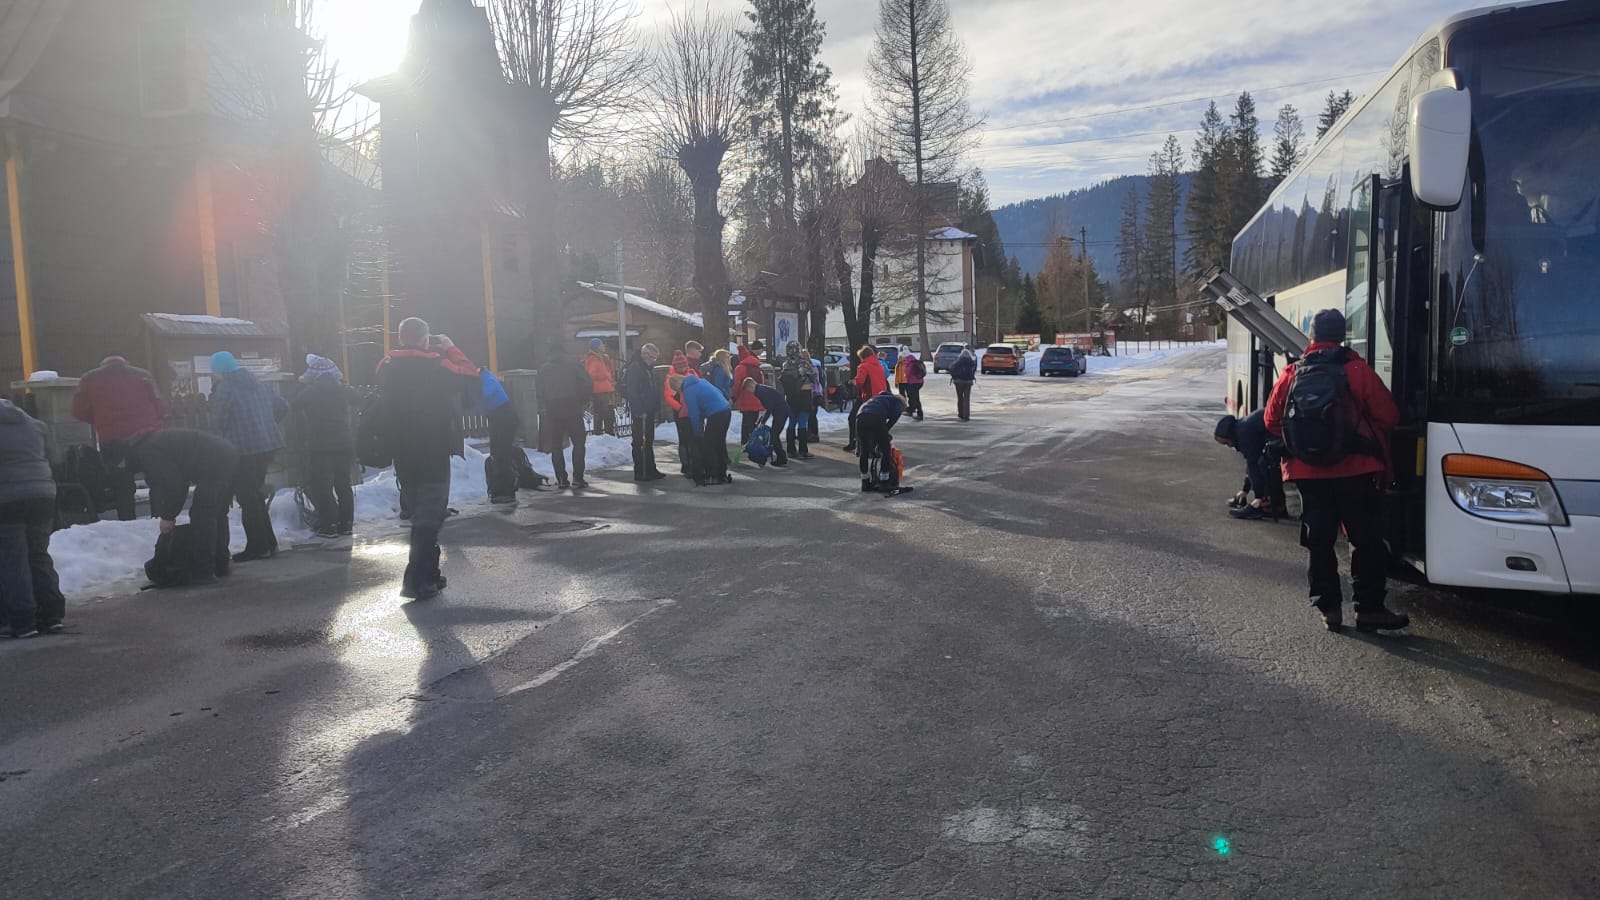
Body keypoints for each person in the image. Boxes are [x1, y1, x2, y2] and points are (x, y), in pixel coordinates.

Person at [1265, 308, 1408, 633]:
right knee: (1364, 539)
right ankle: (1369, 609)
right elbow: (1389, 416)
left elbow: (1271, 421)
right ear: (1342, 337)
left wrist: (1309, 444)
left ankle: (1329, 608)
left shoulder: (1291, 373)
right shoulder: (1357, 370)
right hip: (1356, 469)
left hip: (1307, 472)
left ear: (1312, 336)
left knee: (1319, 539)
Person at [376, 318, 479, 600]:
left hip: (403, 450)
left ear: (400, 338)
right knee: (429, 516)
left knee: (419, 511)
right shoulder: (438, 366)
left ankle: (431, 573)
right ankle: (415, 580)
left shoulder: (386, 366)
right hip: (433, 448)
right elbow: (471, 376)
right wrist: (450, 348)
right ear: (425, 339)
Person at [128, 427, 239, 586]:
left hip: (214, 462)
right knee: (217, 512)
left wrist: (168, 516)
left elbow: (176, 485)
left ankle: (204, 572)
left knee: (203, 514)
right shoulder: (150, 443)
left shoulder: (147, 452)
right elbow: (173, 480)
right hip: (226, 454)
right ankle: (220, 564)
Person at [208, 350, 288, 562]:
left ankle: (257, 547)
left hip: (242, 449)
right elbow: (283, 406)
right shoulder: (258, 382)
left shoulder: (226, 387)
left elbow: (220, 419)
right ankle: (269, 543)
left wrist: (217, 439)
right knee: (255, 493)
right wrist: (265, 424)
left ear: (220, 370)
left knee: (246, 496)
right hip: (267, 445)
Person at [70, 354, 169, 520]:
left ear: (102, 365)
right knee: (156, 478)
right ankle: (159, 519)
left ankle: (127, 523)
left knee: (122, 486)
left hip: (112, 440)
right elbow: (161, 406)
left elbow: (77, 411)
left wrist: (100, 419)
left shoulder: (89, 378)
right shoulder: (143, 375)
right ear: (126, 363)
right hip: (147, 436)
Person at [0, 400, 65, 637]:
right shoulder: (35, 425)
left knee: (12, 558)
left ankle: (22, 620)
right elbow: (56, 459)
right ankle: (51, 615)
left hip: (7, 498)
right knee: (38, 553)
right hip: (43, 495)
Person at [292, 354, 361, 536]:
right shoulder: (342, 389)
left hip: (319, 444)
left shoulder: (311, 391)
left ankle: (329, 525)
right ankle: (346, 523)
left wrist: (302, 383)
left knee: (322, 485)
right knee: (343, 483)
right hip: (343, 442)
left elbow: (295, 403)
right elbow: (357, 397)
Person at [537, 338, 594, 489]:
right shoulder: (574, 365)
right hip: (572, 408)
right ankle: (578, 478)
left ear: (550, 353)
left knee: (556, 445)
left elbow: (539, 391)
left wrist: (544, 407)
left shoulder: (543, 370)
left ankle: (561, 479)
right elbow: (588, 383)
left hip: (553, 411)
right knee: (579, 443)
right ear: (564, 352)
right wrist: (581, 400)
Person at [1214, 410, 1285, 521]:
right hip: (1282, 434)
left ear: (1230, 436)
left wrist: (1258, 497)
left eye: (1227, 442)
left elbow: (1253, 465)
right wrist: (1245, 489)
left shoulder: (1244, 435)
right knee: (1264, 462)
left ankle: (1269, 504)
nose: (1230, 446)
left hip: (1283, 437)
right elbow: (1251, 463)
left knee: (1266, 465)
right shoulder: (1242, 427)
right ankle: (1273, 504)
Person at [476, 366, 526, 504]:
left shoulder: (488, 378)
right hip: (497, 419)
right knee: (496, 454)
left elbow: (487, 394)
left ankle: (507, 490)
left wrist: (473, 393)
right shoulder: (483, 379)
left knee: (502, 454)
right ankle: (499, 489)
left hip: (506, 419)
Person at [677, 373, 733, 485]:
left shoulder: (688, 390)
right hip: (726, 409)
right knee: (719, 443)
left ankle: (713, 474)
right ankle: (722, 473)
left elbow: (694, 414)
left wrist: (698, 433)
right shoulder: (701, 381)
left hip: (716, 414)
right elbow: (718, 392)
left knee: (708, 445)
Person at [623, 342, 665, 482]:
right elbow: (633, 390)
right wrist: (639, 410)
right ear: (645, 354)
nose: (653, 360)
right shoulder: (635, 368)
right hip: (640, 411)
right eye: (652, 357)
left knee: (649, 441)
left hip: (649, 409)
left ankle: (651, 469)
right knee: (639, 441)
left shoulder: (648, 367)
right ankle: (640, 471)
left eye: (655, 358)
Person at [855, 390, 906, 493]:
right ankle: (884, 482)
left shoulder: (879, 398)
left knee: (864, 450)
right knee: (886, 450)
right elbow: (889, 424)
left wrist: (875, 440)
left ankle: (865, 482)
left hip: (860, 417)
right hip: (876, 417)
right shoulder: (898, 403)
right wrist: (883, 439)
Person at [844, 345, 889, 453]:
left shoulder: (863, 366)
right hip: (880, 397)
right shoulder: (879, 365)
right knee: (875, 422)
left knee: (853, 418)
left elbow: (860, 382)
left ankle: (855, 442)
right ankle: (876, 445)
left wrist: (853, 382)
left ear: (862, 356)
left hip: (868, 397)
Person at [663, 349, 697, 479]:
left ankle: (694, 463)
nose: (683, 368)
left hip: (693, 411)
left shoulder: (691, 373)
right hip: (680, 412)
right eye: (680, 366)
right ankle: (686, 465)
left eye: (684, 365)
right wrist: (680, 408)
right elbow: (668, 397)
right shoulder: (671, 378)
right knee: (684, 439)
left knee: (693, 438)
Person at [779, 342, 816, 460]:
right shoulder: (804, 363)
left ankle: (790, 450)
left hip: (790, 397)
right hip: (804, 396)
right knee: (802, 422)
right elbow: (814, 378)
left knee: (791, 422)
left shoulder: (785, 364)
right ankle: (803, 450)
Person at [746, 378, 790, 467]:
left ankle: (781, 458)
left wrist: (762, 422)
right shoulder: (761, 389)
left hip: (781, 412)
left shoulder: (760, 391)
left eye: (749, 390)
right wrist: (760, 420)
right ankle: (781, 457)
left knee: (774, 436)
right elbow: (768, 407)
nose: (750, 392)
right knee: (774, 435)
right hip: (781, 411)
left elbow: (769, 407)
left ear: (750, 386)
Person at [583, 338, 618, 436]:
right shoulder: (593, 359)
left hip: (606, 389)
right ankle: (602, 434)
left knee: (608, 414)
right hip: (599, 391)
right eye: (601, 344)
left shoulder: (601, 358)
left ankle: (606, 434)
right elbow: (591, 374)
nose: (603, 346)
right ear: (597, 347)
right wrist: (606, 375)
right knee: (604, 414)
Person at [733, 341, 766, 444]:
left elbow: (737, 385)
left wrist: (734, 397)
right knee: (754, 422)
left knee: (746, 423)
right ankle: (754, 442)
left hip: (746, 399)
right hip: (757, 397)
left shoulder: (740, 368)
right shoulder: (757, 366)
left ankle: (746, 443)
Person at [950, 349, 977, 421]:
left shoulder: (958, 362)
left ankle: (961, 414)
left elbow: (951, 369)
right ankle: (966, 415)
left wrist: (955, 376)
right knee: (966, 399)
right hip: (968, 382)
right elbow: (973, 371)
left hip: (958, 381)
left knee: (960, 398)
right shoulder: (971, 362)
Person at [804, 349, 824, 443]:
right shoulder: (815, 366)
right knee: (812, 414)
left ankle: (813, 434)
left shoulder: (810, 367)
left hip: (813, 393)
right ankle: (812, 433)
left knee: (811, 414)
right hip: (817, 392)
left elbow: (812, 380)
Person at [902, 349, 926, 421]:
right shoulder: (915, 361)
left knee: (915, 398)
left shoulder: (910, 363)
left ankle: (919, 413)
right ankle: (911, 410)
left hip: (913, 383)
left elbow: (908, 373)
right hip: (919, 382)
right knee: (914, 397)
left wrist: (905, 375)